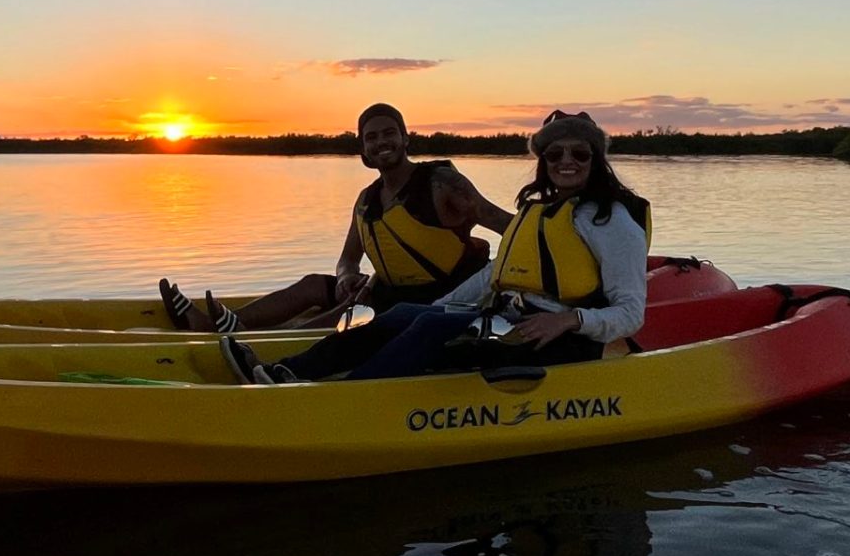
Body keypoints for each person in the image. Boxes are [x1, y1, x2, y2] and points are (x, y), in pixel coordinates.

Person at [223, 110, 649, 383]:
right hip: (510, 319)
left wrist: (569, 321)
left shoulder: (611, 222)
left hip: (562, 338)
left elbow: (630, 314)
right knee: (407, 315)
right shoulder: (542, 212)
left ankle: (350, 394)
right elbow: (494, 275)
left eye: (579, 153)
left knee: (427, 328)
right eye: (555, 155)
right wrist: (436, 307)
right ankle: (287, 371)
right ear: (544, 162)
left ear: (597, 159)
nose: (566, 162)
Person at [159, 102, 510, 332]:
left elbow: (507, 225)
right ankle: (219, 324)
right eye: (371, 138)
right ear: (363, 149)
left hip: (441, 297)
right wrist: (346, 277)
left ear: (406, 139)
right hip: (388, 292)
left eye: (389, 133)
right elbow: (347, 259)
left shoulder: (441, 184)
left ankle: (255, 339)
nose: (380, 142)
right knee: (317, 285)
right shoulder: (366, 202)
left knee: (354, 308)